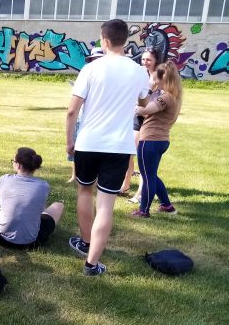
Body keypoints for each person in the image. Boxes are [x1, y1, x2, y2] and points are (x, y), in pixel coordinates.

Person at [66, 19, 150, 276]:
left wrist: (69, 142)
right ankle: (91, 264)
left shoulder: (91, 68)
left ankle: (86, 242)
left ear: (104, 39)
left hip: (89, 142)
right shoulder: (139, 71)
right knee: (106, 205)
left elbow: (72, 111)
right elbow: (144, 101)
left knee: (84, 192)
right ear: (126, 40)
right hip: (119, 146)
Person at [131, 61, 182, 218]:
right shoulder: (174, 96)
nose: (153, 81)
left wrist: (147, 93)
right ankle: (167, 206)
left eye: (155, 78)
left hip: (150, 140)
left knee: (147, 177)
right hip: (161, 140)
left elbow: (144, 110)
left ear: (162, 79)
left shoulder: (165, 97)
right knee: (151, 174)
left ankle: (143, 210)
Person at [0, 147, 64, 249]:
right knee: (58, 205)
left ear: (18, 165)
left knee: (2, 208)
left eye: (13, 161)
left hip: (1, 238)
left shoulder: (4, 179)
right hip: (31, 243)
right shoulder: (43, 186)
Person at [126, 48, 162, 203]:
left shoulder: (160, 77)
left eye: (149, 60)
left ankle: (140, 193)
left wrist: (150, 90)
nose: (145, 62)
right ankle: (125, 185)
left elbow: (161, 99)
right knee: (129, 152)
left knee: (143, 157)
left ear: (156, 61)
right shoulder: (140, 74)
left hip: (150, 118)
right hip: (137, 115)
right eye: (143, 59)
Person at [67, 47, 104, 183]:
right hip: (81, 116)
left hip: (97, 119)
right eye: (94, 59)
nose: (96, 61)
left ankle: (96, 176)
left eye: (99, 59)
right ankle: (74, 175)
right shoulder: (86, 73)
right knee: (76, 146)